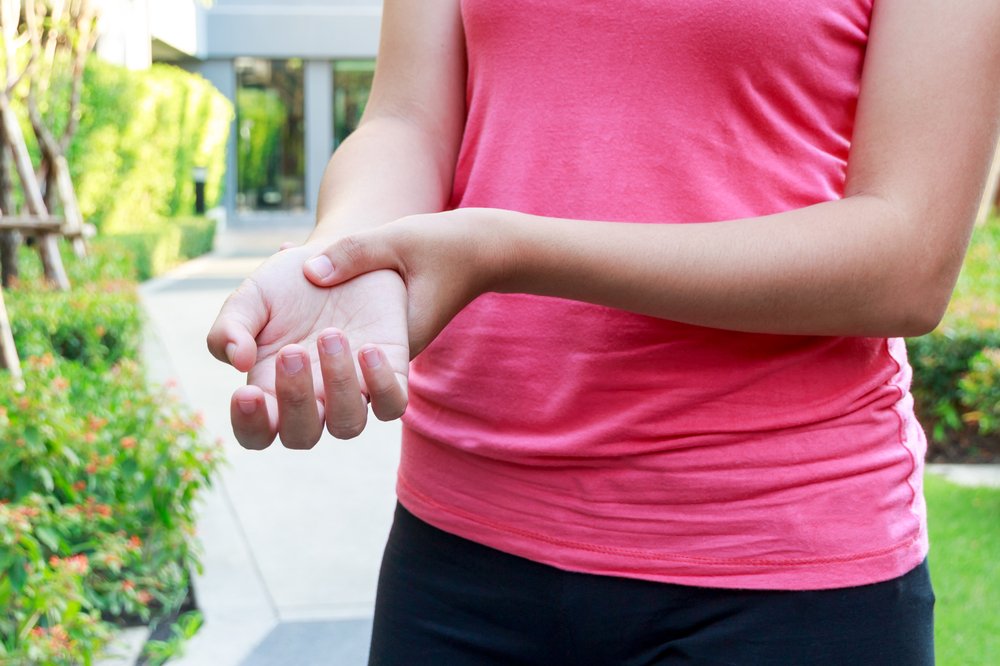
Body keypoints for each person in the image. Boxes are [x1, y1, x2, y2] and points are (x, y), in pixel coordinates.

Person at [207, 1, 1000, 663]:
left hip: (778, 567)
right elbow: (407, 120)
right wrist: (340, 257)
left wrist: (508, 250)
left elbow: (908, 255)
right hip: (459, 545)